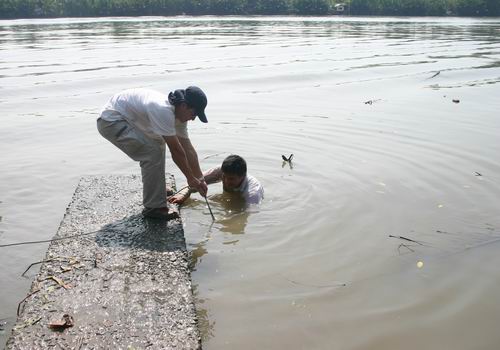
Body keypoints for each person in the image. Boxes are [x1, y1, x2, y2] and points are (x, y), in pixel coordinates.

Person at [97, 86, 209, 219]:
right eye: (194, 114)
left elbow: (187, 148)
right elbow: (177, 151)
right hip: (110, 122)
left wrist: (200, 179)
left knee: (158, 143)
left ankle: (158, 189)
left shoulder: (178, 116)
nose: (193, 119)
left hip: (127, 119)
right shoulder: (162, 110)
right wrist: (191, 179)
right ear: (184, 106)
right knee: (152, 152)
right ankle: (154, 208)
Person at [168, 154, 264, 206]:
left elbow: (245, 214)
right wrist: (182, 195)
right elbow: (194, 182)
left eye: (231, 179)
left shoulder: (253, 192)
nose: (226, 181)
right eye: (224, 177)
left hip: (243, 200)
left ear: (242, 176)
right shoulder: (220, 171)